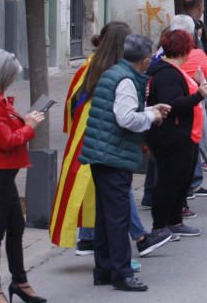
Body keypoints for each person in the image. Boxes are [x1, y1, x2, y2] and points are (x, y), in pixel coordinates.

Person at [79, 35, 171, 292]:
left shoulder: (114, 73)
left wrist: (150, 109)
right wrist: (152, 115)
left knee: (106, 216)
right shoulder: (127, 80)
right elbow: (126, 118)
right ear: (144, 61)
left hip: (102, 152)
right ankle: (121, 272)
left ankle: (105, 268)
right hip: (113, 154)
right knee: (117, 216)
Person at [0, 50, 46, 303]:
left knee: (15, 226)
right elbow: (7, 140)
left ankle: (19, 281)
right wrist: (29, 126)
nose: (12, 81)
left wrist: (22, 121)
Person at [50, 22, 129, 253]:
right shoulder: (114, 71)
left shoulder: (90, 66)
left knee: (101, 191)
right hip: (106, 139)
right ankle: (131, 244)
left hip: (92, 137)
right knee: (114, 197)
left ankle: (93, 241)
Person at [146, 30, 207, 239]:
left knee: (179, 180)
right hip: (172, 136)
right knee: (169, 182)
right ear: (184, 50)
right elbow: (172, 104)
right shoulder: (167, 74)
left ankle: (174, 221)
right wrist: (199, 95)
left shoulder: (171, 71)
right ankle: (160, 225)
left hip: (182, 135)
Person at [169, 15, 207, 190]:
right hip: (192, 106)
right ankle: (192, 183)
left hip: (166, 109)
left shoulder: (161, 55)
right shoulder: (197, 54)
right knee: (192, 144)